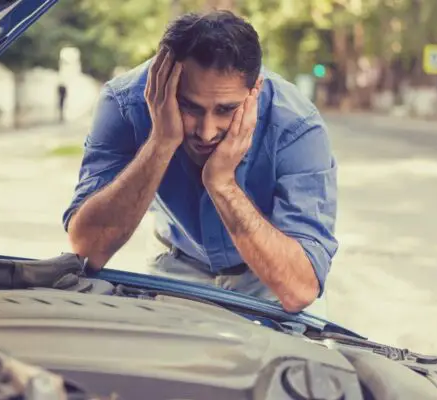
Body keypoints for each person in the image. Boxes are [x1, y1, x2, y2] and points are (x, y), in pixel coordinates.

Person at [62, 10, 338, 314]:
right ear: (162, 80)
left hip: (267, 278)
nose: (206, 132)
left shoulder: (296, 126)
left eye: (225, 109)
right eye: (189, 107)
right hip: (174, 267)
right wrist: (160, 143)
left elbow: (299, 289)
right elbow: (87, 250)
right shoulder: (125, 104)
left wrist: (222, 184)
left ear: (254, 90)